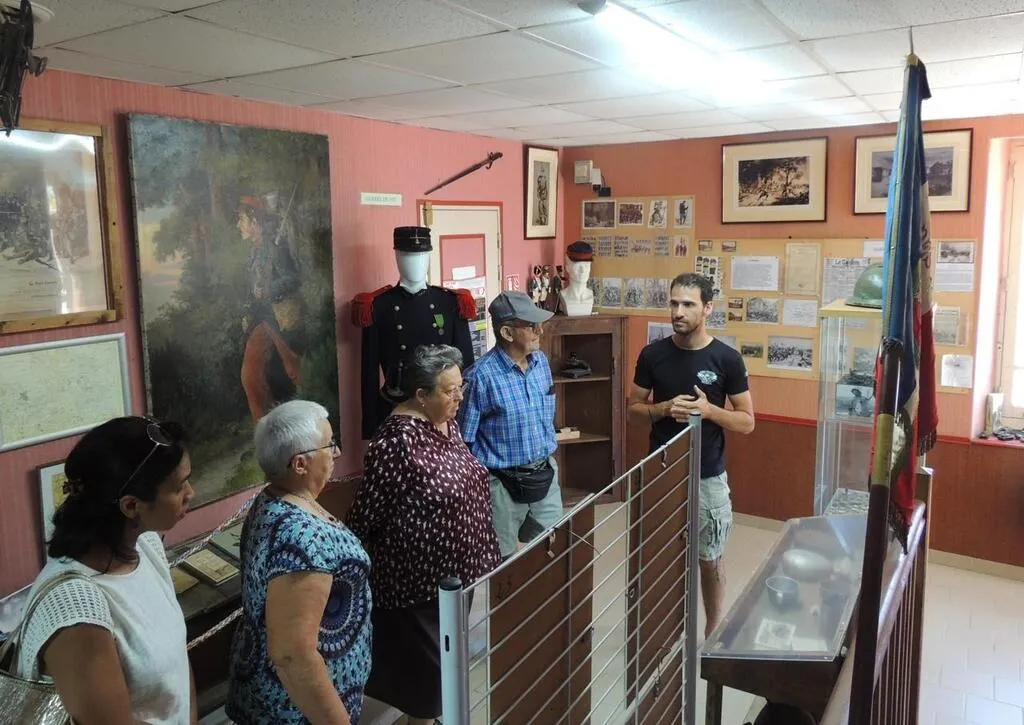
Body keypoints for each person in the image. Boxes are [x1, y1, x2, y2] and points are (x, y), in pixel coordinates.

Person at [347, 344, 500, 725]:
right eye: (450, 390)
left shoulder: (446, 420)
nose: (460, 397)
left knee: (443, 679)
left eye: (461, 387)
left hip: (456, 580)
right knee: (430, 687)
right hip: (416, 589)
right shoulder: (395, 442)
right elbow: (365, 515)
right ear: (421, 395)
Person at [15, 416, 197, 724]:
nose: (191, 493)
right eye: (179, 487)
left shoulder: (146, 544)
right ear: (131, 506)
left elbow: (177, 665)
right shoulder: (77, 612)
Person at [227, 400, 371, 725]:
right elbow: (293, 656)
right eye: (329, 445)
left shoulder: (273, 499)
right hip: (297, 710)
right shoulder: (302, 538)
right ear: (300, 464)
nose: (336, 452)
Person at [627, 273, 755, 638]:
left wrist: (710, 411)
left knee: (709, 560)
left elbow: (747, 421)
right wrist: (663, 408)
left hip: (707, 476)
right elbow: (634, 410)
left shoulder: (727, 359)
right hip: (661, 474)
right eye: (673, 303)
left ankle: (713, 633)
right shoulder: (652, 355)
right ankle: (663, 634)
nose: (678, 312)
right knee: (660, 557)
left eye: (688, 304)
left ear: (708, 308)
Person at [459, 291, 564, 560]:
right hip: (501, 483)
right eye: (531, 325)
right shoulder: (479, 377)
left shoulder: (541, 363)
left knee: (551, 544)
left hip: (543, 473)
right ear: (507, 333)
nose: (540, 330)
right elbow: (464, 442)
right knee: (503, 561)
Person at [238, 194, 304, 421]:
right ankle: (265, 427)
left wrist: (270, 288)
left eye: (241, 219)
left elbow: (293, 279)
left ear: (254, 221)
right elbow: (253, 289)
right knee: (250, 375)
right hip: (261, 319)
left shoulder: (275, 249)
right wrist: (247, 308)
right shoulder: (254, 252)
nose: (238, 225)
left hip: (279, 317)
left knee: (294, 369)